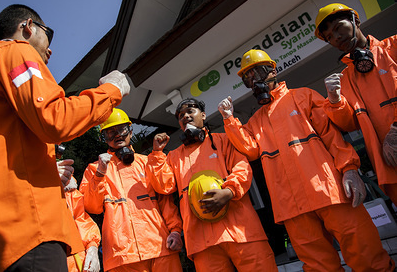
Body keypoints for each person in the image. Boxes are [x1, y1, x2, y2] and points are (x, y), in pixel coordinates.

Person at [0, 4, 130, 271]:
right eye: (49, 34)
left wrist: (45, 172)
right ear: (28, 27)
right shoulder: (15, 51)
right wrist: (110, 91)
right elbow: (55, 118)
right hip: (26, 233)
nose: (50, 49)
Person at [218, 48, 395, 271]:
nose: (254, 81)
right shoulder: (255, 121)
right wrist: (229, 119)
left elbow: (332, 136)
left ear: (273, 70)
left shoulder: (303, 96)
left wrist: (349, 169)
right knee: (318, 265)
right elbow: (250, 150)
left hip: (331, 192)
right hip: (292, 206)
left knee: (364, 251)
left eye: (258, 73)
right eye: (248, 78)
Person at [145, 98, 278, 272]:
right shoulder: (173, 157)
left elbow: (242, 168)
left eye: (190, 111)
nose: (185, 116)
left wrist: (229, 192)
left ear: (203, 115)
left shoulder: (223, 140)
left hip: (241, 231)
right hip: (202, 242)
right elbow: (164, 187)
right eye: (180, 115)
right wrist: (156, 154)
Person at [80, 108, 184, 272]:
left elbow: (165, 199)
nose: (117, 135)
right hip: (121, 256)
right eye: (110, 132)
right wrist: (100, 173)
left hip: (160, 247)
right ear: (103, 138)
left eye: (121, 129)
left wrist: (176, 231)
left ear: (130, 130)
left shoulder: (148, 162)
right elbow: (91, 207)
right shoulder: (95, 169)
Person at [314, 3, 397, 205]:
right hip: (391, 167)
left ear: (355, 21)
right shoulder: (345, 79)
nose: (336, 38)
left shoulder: (394, 47)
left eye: (337, 28)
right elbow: (349, 124)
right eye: (330, 37)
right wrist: (335, 101)